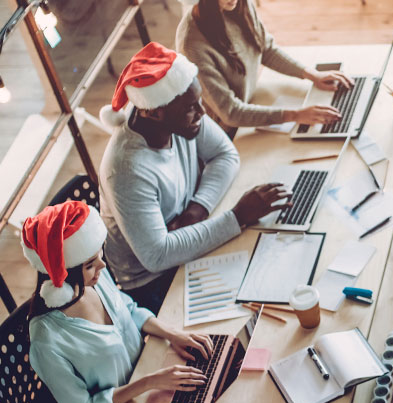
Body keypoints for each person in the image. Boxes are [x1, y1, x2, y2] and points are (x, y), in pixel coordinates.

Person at [23, 201, 210, 403]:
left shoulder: (94, 281)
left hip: (142, 381)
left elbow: (130, 311)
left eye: (98, 257)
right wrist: (150, 382)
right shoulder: (47, 339)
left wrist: (173, 334)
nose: (103, 267)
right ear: (62, 273)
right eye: (90, 264)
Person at [99, 41, 291, 312]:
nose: (201, 112)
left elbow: (226, 155)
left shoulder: (177, 111)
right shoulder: (126, 170)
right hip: (153, 282)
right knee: (253, 303)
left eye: (198, 101)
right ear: (155, 112)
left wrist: (196, 211)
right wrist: (238, 216)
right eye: (191, 107)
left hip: (187, 235)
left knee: (272, 269)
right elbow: (157, 255)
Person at [174, 0, 351, 137]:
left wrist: (311, 74)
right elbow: (230, 113)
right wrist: (295, 115)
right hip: (227, 132)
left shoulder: (238, 4)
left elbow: (265, 48)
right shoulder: (192, 45)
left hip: (252, 103)